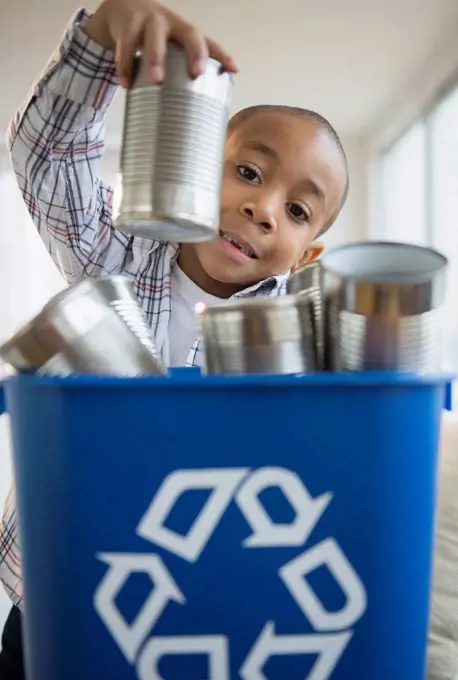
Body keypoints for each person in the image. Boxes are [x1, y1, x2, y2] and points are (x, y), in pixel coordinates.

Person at [0, 0, 349, 674]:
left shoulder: (306, 339)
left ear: (308, 255)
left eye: (298, 209)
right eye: (248, 172)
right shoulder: (119, 253)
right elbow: (45, 161)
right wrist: (105, 26)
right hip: (61, 584)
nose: (262, 208)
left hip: (208, 600)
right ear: (197, 161)